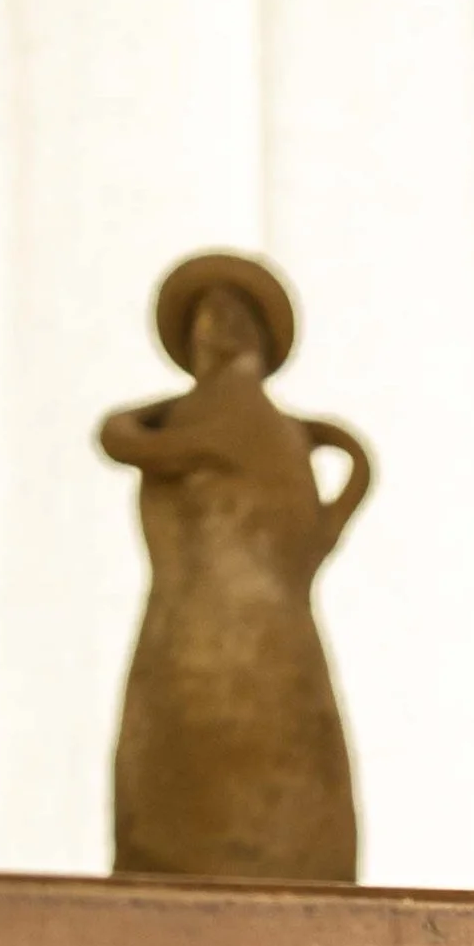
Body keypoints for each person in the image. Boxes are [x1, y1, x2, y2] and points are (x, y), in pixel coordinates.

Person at [99, 250, 371, 881]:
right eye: (205, 316)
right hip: (195, 629)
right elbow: (122, 437)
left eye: (229, 316)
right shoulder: (268, 428)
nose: (213, 328)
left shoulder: (241, 421)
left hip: (236, 634)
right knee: (183, 773)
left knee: (248, 770)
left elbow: (124, 439)